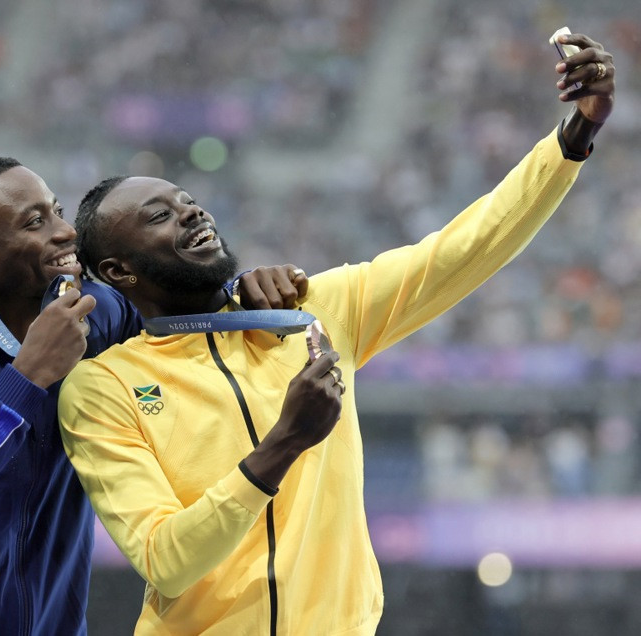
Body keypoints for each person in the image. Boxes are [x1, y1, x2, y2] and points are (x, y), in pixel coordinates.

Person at [57, 34, 615, 635]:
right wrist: (285, 444)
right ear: (118, 271)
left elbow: (464, 249)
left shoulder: (312, 311)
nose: (193, 212)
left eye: (188, 201)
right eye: (159, 216)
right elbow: (165, 560)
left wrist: (575, 136)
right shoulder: (103, 388)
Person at [0, 157, 304, 634]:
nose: (66, 232)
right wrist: (23, 380)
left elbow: (182, 319)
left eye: (58, 211)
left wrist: (239, 291)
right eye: (35, 222)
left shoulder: (99, 312)